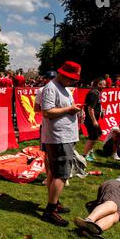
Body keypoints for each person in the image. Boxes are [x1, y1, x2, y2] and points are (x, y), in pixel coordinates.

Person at [40, 61, 82, 227]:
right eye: (72, 78)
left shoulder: (63, 88)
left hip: (65, 136)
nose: (73, 82)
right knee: (62, 174)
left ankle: (54, 203)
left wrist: (75, 109)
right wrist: (69, 110)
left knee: (54, 172)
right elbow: (47, 112)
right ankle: (50, 211)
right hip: (59, 137)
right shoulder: (51, 88)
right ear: (64, 75)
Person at [83, 78, 105, 162]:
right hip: (90, 119)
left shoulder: (96, 93)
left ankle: (89, 151)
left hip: (93, 119)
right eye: (103, 84)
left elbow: (95, 105)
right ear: (98, 84)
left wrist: (101, 111)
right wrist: (94, 120)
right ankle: (85, 155)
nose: (105, 86)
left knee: (98, 134)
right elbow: (90, 108)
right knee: (93, 137)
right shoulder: (94, 93)